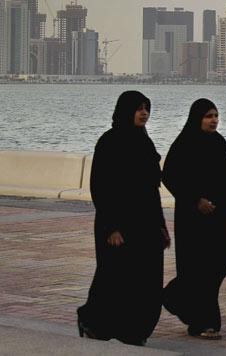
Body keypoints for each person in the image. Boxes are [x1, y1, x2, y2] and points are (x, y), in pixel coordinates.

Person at [77, 90, 170, 346]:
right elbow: (101, 187)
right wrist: (111, 227)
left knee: (146, 281)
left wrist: (161, 226)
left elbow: (152, 190)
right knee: (114, 278)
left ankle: (135, 331)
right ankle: (93, 321)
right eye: (138, 108)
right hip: (117, 224)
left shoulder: (144, 142)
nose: (144, 113)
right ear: (125, 111)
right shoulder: (109, 142)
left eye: (146, 108)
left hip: (146, 224)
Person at [162, 99, 226, 340]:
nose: (214, 120)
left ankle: (172, 297)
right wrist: (195, 200)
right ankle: (203, 322)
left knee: (222, 262)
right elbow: (169, 176)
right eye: (208, 116)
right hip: (193, 220)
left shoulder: (218, 142)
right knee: (198, 269)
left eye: (216, 115)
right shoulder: (183, 144)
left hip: (220, 217)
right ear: (197, 118)